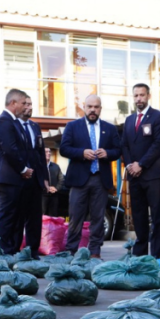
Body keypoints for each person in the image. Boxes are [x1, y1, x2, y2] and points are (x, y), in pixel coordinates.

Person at [60, 94, 121, 258]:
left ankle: (95, 251)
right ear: (84, 108)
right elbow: (64, 149)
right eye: (89, 107)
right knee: (75, 217)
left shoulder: (110, 128)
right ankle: (71, 250)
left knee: (98, 218)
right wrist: (81, 153)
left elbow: (118, 150)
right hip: (79, 179)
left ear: (100, 108)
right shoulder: (72, 126)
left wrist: (107, 153)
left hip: (100, 179)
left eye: (96, 107)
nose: (93, 110)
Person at [120, 83, 160, 258]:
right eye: (136, 96)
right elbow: (124, 145)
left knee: (156, 215)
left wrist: (141, 164)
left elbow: (158, 145)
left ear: (148, 96)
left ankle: (156, 255)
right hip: (134, 176)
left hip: (152, 174)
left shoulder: (159, 117)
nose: (139, 98)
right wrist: (129, 165)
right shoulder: (129, 120)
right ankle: (140, 254)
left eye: (142, 95)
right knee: (138, 215)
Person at [0, 89, 32, 255]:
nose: (25, 107)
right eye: (23, 103)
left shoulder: (13, 122)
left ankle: (13, 251)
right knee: (7, 217)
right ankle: (3, 252)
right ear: (13, 103)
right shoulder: (4, 122)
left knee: (17, 218)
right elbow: (10, 150)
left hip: (15, 179)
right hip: (7, 178)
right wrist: (23, 169)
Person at [18, 95, 48, 257]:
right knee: (19, 217)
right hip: (20, 179)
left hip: (36, 180)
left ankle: (33, 250)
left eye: (31, 104)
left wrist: (44, 177)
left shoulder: (35, 127)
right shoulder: (14, 126)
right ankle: (17, 250)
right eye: (25, 104)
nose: (29, 107)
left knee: (35, 219)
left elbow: (41, 154)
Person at [42, 148, 64, 217]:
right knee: (42, 215)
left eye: (49, 152)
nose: (48, 153)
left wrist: (56, 188)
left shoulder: (56, 166)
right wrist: (46, 188)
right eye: (46, 152)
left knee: (53, 216)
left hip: (54, 195)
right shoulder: (39, 166)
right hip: (42, 195)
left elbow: (61, 179)